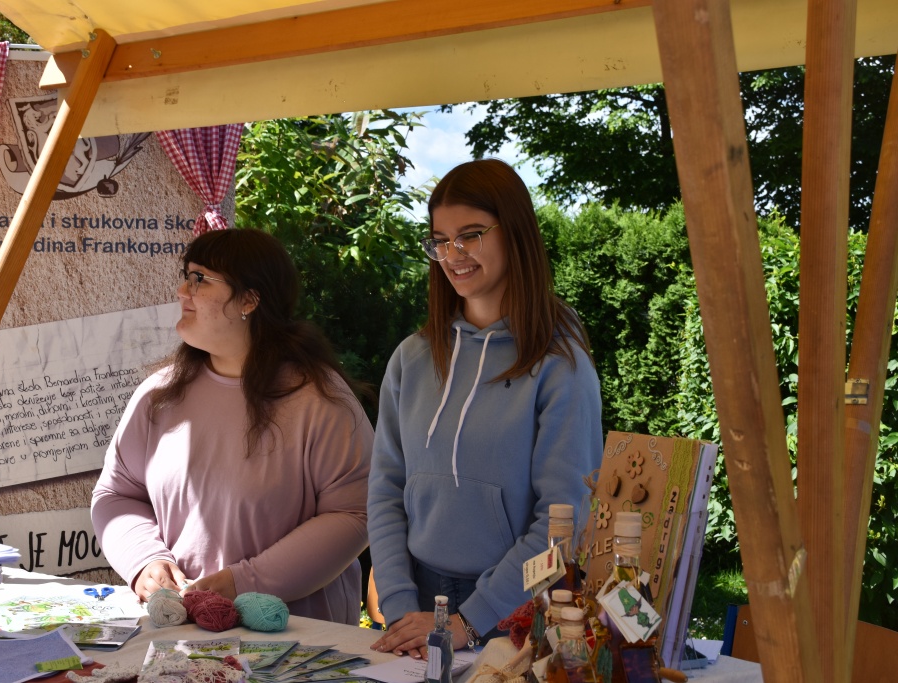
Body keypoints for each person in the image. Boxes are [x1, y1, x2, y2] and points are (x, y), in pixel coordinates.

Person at [367, 159, 603, 656]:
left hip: (517, 613)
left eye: (470, 236)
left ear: (514, 233)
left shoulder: (561, 367)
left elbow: (564, 523)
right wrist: (399, 605)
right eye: (440, 240)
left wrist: (471, 620)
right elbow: (385, 490)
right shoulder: (411, 358)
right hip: (415, 606)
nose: (452, 255)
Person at [92, 228, 373, 625]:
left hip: (293, 642)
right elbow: (117, 494)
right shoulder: (157, 396)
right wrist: (145, 560)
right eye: (186, 276)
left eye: (199, 279)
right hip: (179, 637)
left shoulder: (320, 401)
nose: (182, 291)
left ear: (249, 300)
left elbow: (354, 513)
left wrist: (245, 582)